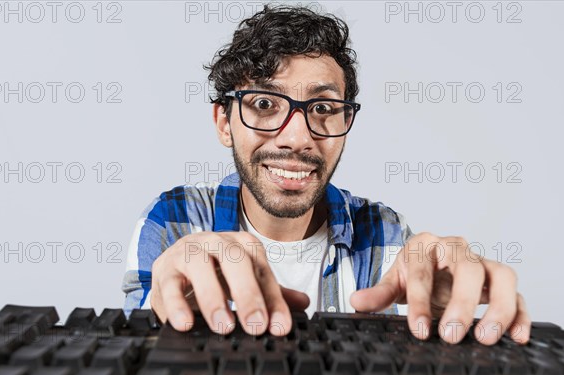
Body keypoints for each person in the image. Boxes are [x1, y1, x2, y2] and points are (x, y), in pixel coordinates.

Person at [122, 5, 530, 345]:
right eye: (264, 103)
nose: (297, 138)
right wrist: (166, 315)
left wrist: (444, 333)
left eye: (322, 109)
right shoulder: (173, 218)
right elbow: (135, 360)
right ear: (224, 122)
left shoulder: (383, 232)